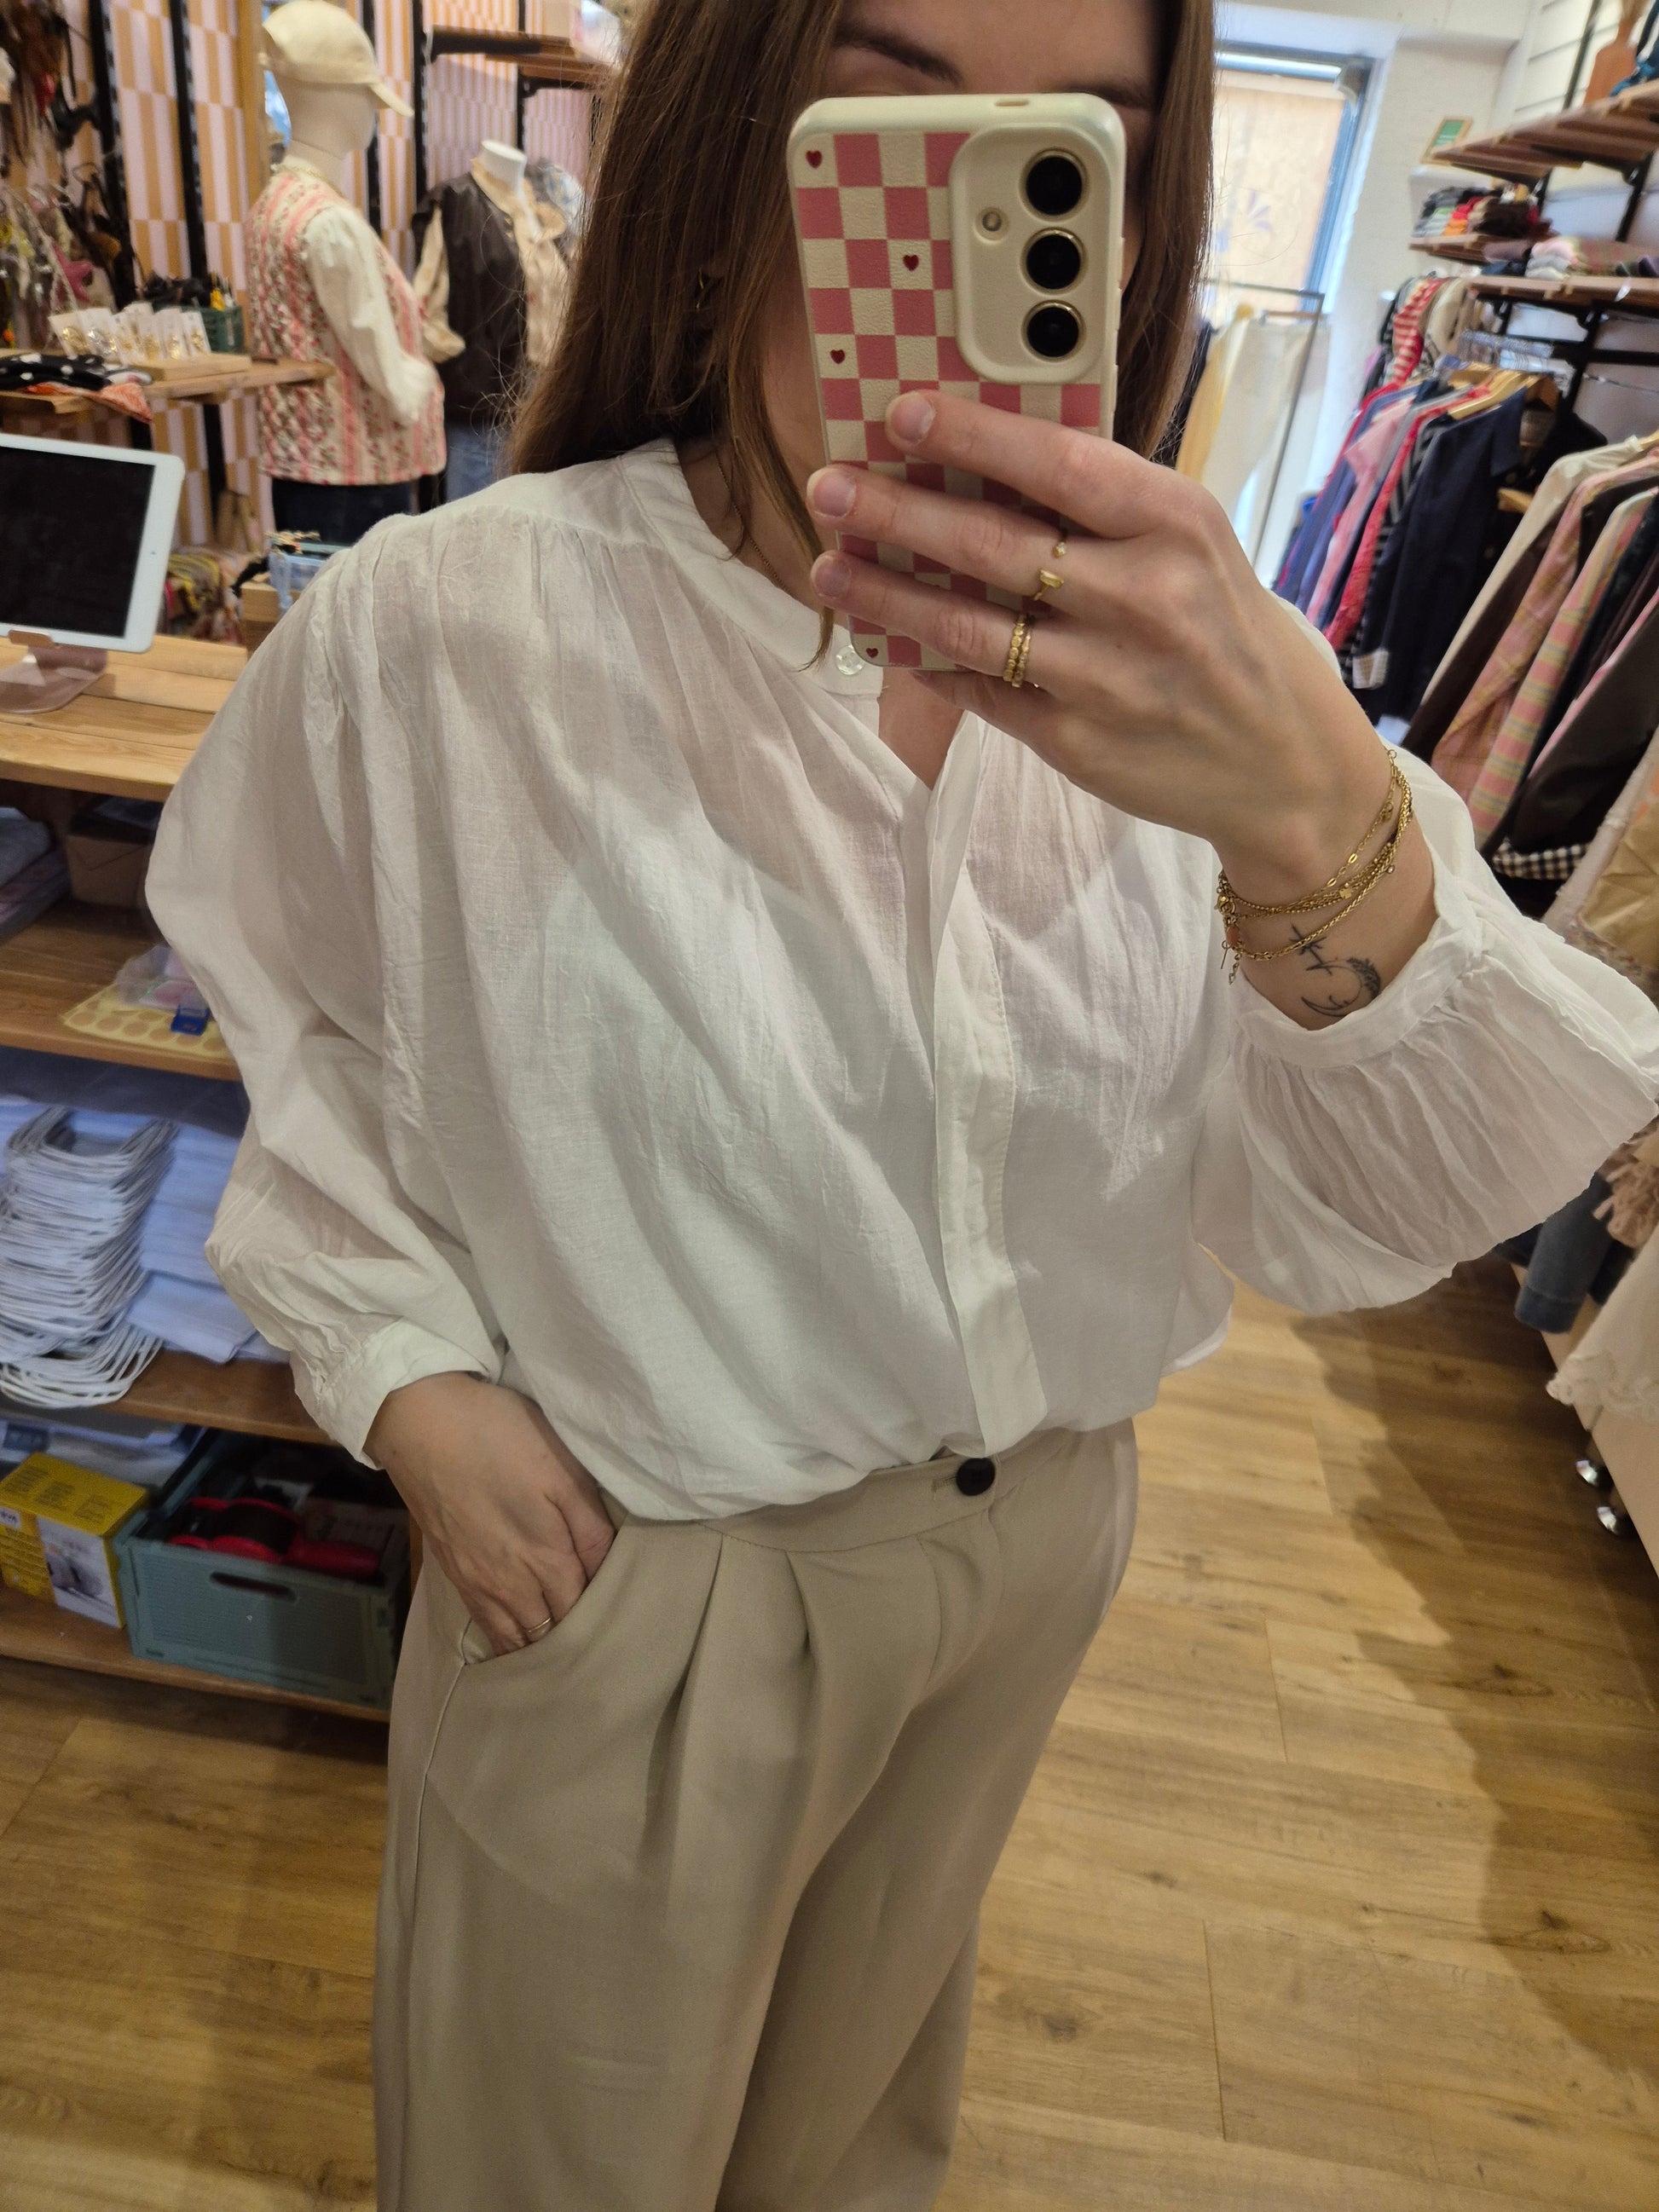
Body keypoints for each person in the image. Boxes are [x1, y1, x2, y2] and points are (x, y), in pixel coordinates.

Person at [147, 2, 1659, 2206]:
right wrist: (403, 1376)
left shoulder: (1202, 675)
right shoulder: (447, 627)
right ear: (731, 149)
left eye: (1068, 139)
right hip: (643, 1577)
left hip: (1027, 1554)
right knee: (547, 2163)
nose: (960, 217)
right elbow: (287, 1009)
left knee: (853, 2145)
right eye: (884, 106)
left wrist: (1313, 817)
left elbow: (1358, 1200)